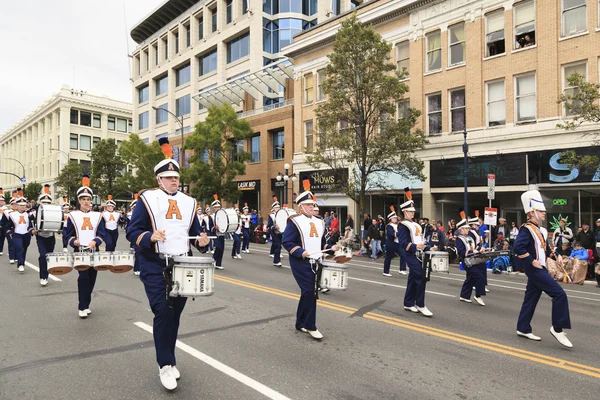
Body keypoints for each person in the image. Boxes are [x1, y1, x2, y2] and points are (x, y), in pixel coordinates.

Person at [126, 137, 209, 390]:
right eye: (168, 177)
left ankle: (170, 360)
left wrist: (203, 242)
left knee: (175, 315)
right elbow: (132, 231)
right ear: (158, 179)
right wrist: (150, 237)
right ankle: (164, 364)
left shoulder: (189, 202)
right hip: (154, 263)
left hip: (182, 264)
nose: (174, 180)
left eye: (176, 177)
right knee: (162, 311)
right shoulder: (147, 199)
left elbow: (195, 234)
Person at [514, 190, 572, 348]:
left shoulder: (541, 230)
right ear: (532, 213)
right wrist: (531, 261)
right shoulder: (526, 229)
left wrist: (557, 256)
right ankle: (557, 328)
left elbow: (545, 250)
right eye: (541, 211)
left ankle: (523, 327)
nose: (544, 213)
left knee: (530, 299)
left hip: (540, 268)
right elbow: (518, 247)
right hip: (535, 269)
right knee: (559, 294)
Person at [282, 180, 338, 340]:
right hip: (300, 261)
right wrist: (301, 252)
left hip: (316, 261)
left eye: (313, 205)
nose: (312, 207)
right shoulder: (294, 221)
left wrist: (331, 248)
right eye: (308, 205)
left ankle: (300, 322)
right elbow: (287, 242)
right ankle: (310, 325)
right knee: (310, 292)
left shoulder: (319, 221)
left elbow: (321, 243)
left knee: (307, 293)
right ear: (300, 207)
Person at [64, 175, 106, 318]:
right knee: (83, 278)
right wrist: (73, 241)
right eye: (83, 199)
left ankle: (86, 304)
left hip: (93, 250)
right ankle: (82, 306)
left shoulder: (98, 215)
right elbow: (66, 234)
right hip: (80, 250)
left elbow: (102, 233)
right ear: (79, 201)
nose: (86, 202)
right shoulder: (72, 215)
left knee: (92, 277)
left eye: (88, 199)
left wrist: (96, 241)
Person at [399, 188, 436, 317]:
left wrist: (428, 248)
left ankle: (408, 303)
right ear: (405, 212)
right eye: (410, 211)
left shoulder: (417, 225)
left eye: (413, 211)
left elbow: (421, 241)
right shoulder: (403, 225)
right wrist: (415, 246)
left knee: (413, 278)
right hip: (410, 254)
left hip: (419, 255)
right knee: (421, 277)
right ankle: (420, 304)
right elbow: (403, 243)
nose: (413, 213)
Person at [456, 211, 486, 305]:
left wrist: (480, 249)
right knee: (479, 276)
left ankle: (464, 296)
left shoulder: (469, 237)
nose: (468, 230)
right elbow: (461, 252)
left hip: (474, 260)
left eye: (468, 228)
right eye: (466, 228)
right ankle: (478, 295)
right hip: (467, 262)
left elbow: (474, 246)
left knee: (470, 278)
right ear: (461, 229)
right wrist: (472, 251)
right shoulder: (459, 239)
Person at [33, 185, 56, 286]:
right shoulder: (34, 213)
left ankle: (46, 272)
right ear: (40, 202)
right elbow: (30, 224)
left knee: (49, 256)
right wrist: (32, 230)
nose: (46, 204)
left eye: (47, 202)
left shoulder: (54, 212)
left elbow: (60, 224)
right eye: (44, 202)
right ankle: (43, 276)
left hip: (51, 237)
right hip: (41, 236)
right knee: (43, 256)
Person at [5, 193, 35, 273]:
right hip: (17, 234)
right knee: (20, 248)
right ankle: (21, 264)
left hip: (26, 235)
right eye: (20, 205)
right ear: (17, 205)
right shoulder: (12, 215)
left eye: (24, 205)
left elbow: (33, 223)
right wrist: (9, 233)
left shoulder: (29, 215)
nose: (22, 207)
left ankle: (21, 263)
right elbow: (7, 226)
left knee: (24, 249)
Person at [383, 207, 400, 276]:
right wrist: (400, 233)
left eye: (396, 218)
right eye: (394, 218)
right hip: (391, 243)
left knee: (404, 254)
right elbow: (392, 235)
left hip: (398, 243)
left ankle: (402, 269)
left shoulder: (397, 225)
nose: (396, 219)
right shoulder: (389, 226)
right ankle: (386, 271)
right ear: (390, 219)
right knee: (388, 257)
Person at [211, 194, 225, 270]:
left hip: (221, 234)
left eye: (219, 207)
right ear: (213, 208)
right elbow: (209, 227)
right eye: (216, 207)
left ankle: (218, 264)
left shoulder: (223, 215)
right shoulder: (212, 216)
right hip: (215, 234)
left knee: (222, 249)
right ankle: (213, 260)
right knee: (218, 247)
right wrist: (214, 228)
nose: (218, 208)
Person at [268, 197, 283, 267]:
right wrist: (274, 227)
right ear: (273, 208)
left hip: (280, 232)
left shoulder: (282, 215)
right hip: (274, 232)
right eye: (276, 207)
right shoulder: (271, 216)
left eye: (279, 207)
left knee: (279, 246)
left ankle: (275, 257)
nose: (278, 208)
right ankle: (276, 261)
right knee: (278, 245)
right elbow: (269, 226)